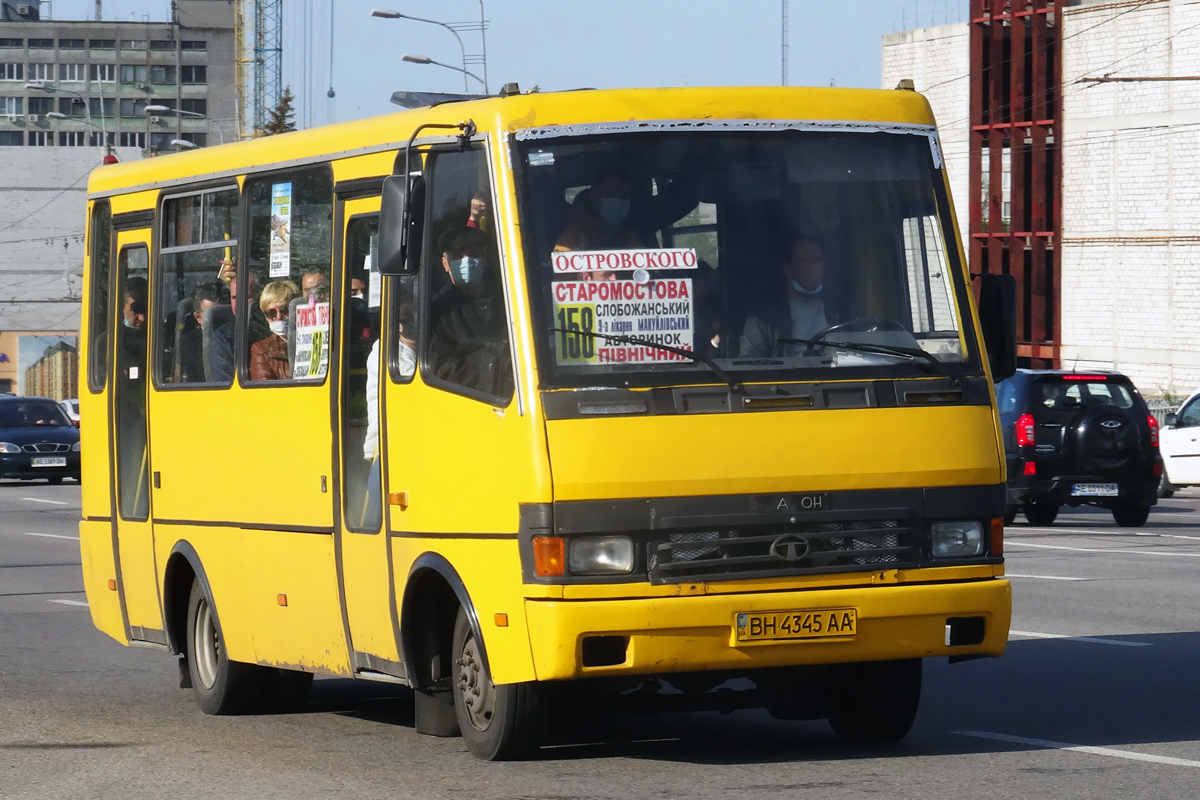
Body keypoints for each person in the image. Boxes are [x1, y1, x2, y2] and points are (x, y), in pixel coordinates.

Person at [427, 228, 511, 398]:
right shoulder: (439, 312)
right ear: (445, 264)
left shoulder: (508, 300)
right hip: (468, 404)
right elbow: (438, 369)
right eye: (457, 254)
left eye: (473, 251)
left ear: (484, 258)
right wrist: (494, 358)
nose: (467, 259)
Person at [739, 236, 836, 358]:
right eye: (804, 260)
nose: (813, 267)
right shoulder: (764, 314)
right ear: (787, 269)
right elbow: (750, 363)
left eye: (818, 260)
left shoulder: (838, 306)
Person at [554, 173, 644, 253]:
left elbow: (646, 268)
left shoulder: (628, 236)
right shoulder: (574, 237)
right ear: (594, 196)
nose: (618, 200)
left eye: (624, 196)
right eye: (611, 194)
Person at [249, 280, 299, 381]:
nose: (279, 317)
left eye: (285, 310)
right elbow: (265, 392)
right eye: (271, 313)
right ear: (265, 317)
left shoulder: (314, 339)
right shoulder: (261, 351)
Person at [178, 282, 224, 383]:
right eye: (211, 314)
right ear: (198, 317)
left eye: (220, 312)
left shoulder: (232, 334)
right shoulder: (189, 343)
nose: (217, 318)